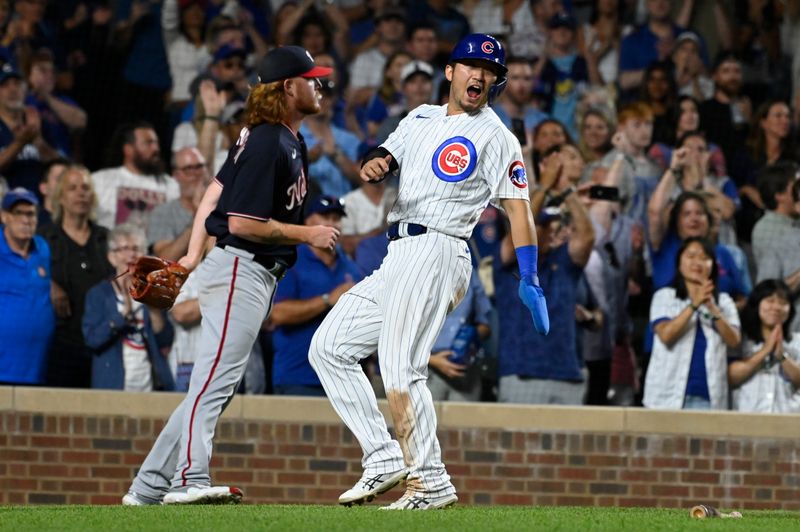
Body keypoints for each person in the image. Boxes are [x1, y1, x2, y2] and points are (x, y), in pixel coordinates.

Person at [308, 33, 549, 510]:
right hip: (398, 252)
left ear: (496, 82)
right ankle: (382, 457)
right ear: (451, 72)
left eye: (489, 71)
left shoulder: (498, 137)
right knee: (330, 348)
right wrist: (374, 163)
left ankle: (429, 481)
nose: (478, 75)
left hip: (441, 246)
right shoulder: (419, 117)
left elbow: (519, 211)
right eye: (469, 66)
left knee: (400, 365)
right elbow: (383, 155)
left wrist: (529, 275)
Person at [123, 46, 337, 506]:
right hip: (243, 264)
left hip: (245, 270)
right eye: (311, 78)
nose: (319, 84)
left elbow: (210, 199)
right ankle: (188, 478)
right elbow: (238, 221)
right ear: (287, 86)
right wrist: (308, 233)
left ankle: (147, 488)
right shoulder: (267, 141)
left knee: (211, 383)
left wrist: (190, 261)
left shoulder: (275, 138)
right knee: (214, 383)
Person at [270, 195, 362, 396]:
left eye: (336, 218)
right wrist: (328, 300)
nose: (331, 223)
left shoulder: (351, 269)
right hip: (298, 376)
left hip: (343, 380)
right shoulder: (292, 260)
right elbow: (278, 314)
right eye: (324, 216)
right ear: (307, 221)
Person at [644, 237, 740, 410]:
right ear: (679, 263)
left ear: (713, 266)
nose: (698, 262)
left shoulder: (724, 302)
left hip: (710, 397)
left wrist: (712, 307)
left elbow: (734, 340)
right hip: (666, 397)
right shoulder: (665, 296)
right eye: (691, 256)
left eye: (704, 258)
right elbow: (666, 335)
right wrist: (694, 304)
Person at [39, 165, 113, 388]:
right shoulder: (43, 238)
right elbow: (22, 270)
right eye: (72, 188)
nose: (81, 193)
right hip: (60, 344)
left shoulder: (106, 239)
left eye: (85, 188)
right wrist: (48, 284)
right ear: (60, 197)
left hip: (102, 342)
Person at [82, 224, 175, 392]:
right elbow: (92, 339)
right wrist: (122, 315)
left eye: (136, 249)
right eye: (124, 248)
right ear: (112, 257)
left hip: (150, 385)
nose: (131, 254)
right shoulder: (98, 294)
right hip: (112, 384)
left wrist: (154, 311)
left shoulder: (154, 292)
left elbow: (165, 340)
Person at [0, 187, 54, 385]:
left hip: (37, 366)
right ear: (4, 216)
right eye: (18, 213)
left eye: (30, 213)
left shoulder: (42, 248)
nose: (25, 219)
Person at [92, 121, 179, 232]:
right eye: (148, 143)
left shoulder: (171, 185)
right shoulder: (101, 180)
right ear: (128, 149)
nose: (156, 148)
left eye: (156, 143)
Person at [730, 279, 800, 413]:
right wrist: (765, 351)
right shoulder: (740, 339)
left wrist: (782, 357)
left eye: (783, 302)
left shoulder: (797, 341)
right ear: (757, 304)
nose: (776, 307)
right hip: (746, 421)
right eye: (770, 301)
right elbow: (731, 377)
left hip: (787, 421)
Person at [752, 162, 800, 330]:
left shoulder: (795, 222)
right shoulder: (768, 229)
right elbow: (769, 291)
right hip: (793, 332)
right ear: (779, 195)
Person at [147, 147, 210, 261]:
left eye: (199, 166)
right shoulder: (163, 213)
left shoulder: (224, 206)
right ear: (176, 175)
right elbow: (164, 258)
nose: (196, 174)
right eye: (188, 169)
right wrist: (199, 217)